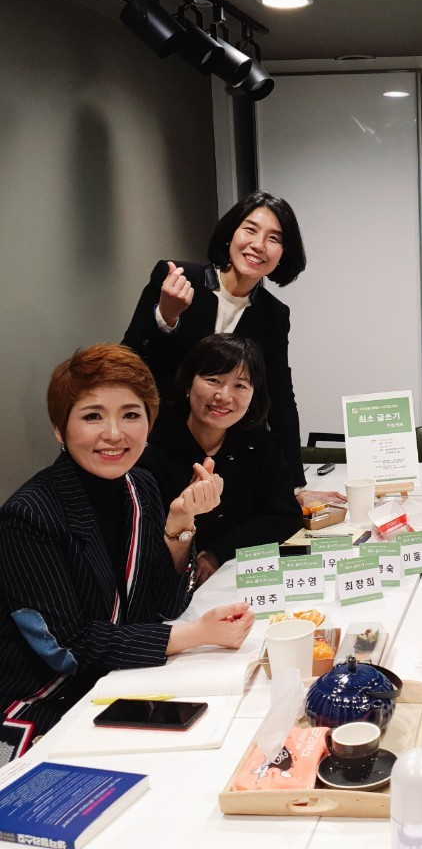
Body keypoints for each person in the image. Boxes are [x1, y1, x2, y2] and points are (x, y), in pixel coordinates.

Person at [0, 345, 254, 757]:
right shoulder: (29, 515)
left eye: (131, 415)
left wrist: (180, 522)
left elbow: (163, 605)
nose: (115, 433)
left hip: (123, 680)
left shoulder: (140, 487)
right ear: (60, 429)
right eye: (93, 416)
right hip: (49, 702)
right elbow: (68, 647)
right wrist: (196, 635)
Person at [122, 190, 337, 508]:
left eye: (274, 238)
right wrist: (165, 317)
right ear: (230, 234)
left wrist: (294, 485)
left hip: (226, 454)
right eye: (250, 229)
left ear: (283, 253)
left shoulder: (274, 315)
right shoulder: (178, 278)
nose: (259, 245)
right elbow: (128, 361)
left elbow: (279, 398)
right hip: (157, 446)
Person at [141, 334, 303, 585]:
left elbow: (284, 517)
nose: (224, 396)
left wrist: (218, 552)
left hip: (242, 581)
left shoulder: (260, 445)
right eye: (213, 380)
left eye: (240, 386)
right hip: (171, 590)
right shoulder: (151, 453)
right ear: (188, 384)